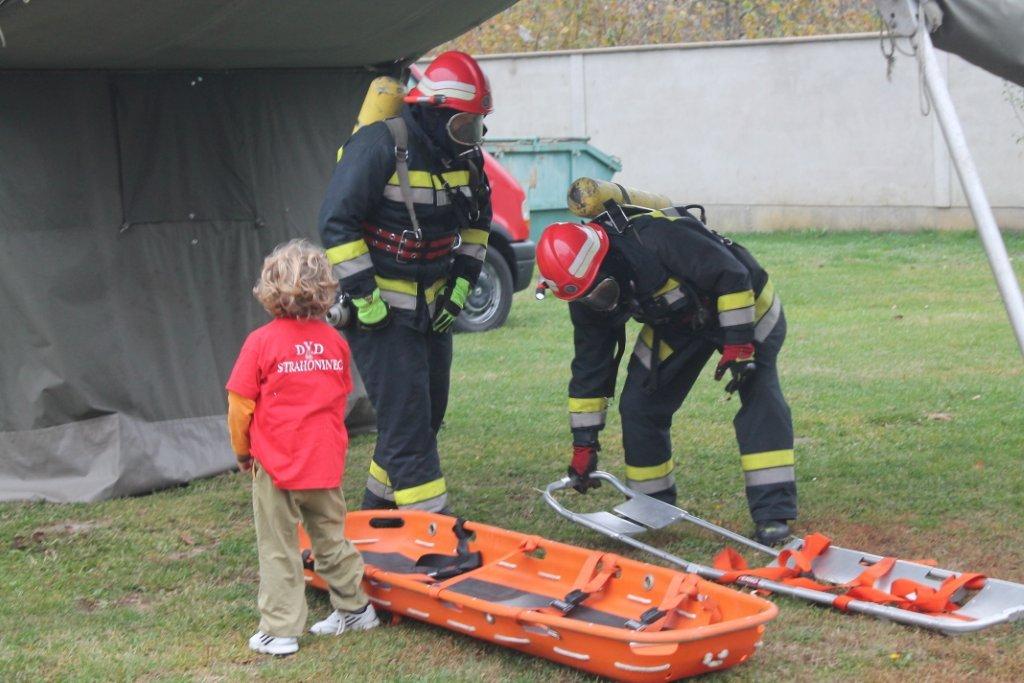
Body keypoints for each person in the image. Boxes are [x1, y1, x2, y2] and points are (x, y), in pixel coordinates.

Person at [536, 204, 797, 545]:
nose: (604, 305)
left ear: (605, 260)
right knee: (639, 404)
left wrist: (738, 345)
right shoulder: (585, 292)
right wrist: (584, 443)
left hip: (744, 306)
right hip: (677, 321)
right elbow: (590, 369)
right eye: (590, 299)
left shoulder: (658, 238)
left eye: (602, 293)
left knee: (759, 393)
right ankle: (650, 506)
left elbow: (732, 275)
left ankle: (773, 515)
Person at [318, 51, 494, 513]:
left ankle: (376, 514)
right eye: (462, 125)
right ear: (431, 111)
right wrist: (364, 297)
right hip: (380, 313)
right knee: (409, 426)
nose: (470, 137)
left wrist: (458, 289)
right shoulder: (380, 145)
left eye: (475, 126)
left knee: (425, 416)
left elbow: (477, 228)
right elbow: (337, 223)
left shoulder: (466, 161)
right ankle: (430, 534)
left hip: (433, 309)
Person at [227, 239, 378, 656]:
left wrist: (242, 451)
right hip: (324, 462)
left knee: (279, 547)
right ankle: (355, 609)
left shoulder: (261, 342)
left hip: (276, 464)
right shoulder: (335, 343)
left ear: (270, 289)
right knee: (330, 537)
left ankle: (280, 630)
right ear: (325, 289)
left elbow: (240, 405)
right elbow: (339, 396)